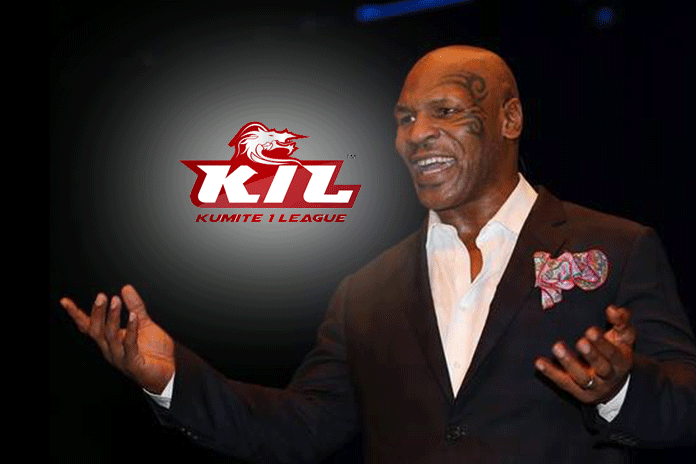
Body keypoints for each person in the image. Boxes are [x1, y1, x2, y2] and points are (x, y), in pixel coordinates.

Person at [60, 45, 696, 463]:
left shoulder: (616, 247)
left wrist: (620, 389)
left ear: (509, 119)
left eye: (444, 111)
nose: (417, 135)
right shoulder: (367, 290)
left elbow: (685, 406)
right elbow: (303, 426)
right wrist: (173, 379)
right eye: (404, 118)